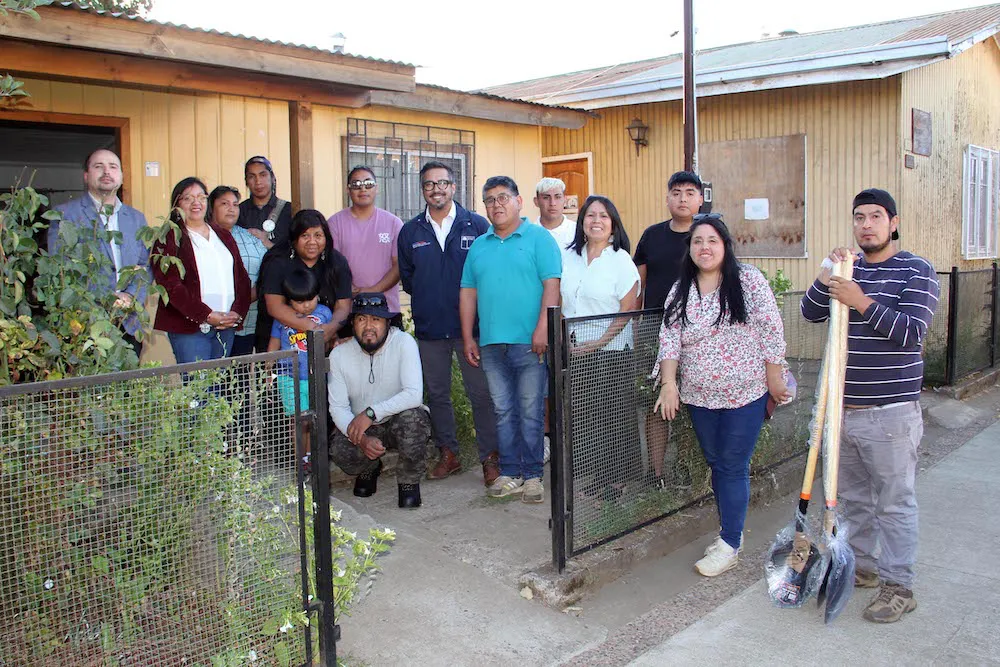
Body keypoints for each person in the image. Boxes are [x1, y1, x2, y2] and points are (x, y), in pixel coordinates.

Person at [801, 188, 939, 624]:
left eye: (876, 216)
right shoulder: (848, 267)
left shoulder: (917, 271)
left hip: (891, 412)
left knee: (894, 503)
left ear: (893, 223)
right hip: (842, 411)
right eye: (859, 217)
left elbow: (911, 332)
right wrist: (827, 274)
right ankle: (860, 568)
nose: (866, 224)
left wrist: (860, 300)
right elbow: (809, 312)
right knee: (853, 500)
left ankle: (899, 586)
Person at [652, 214, 790, 577]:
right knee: (718, 463)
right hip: (700, 397)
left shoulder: (748, 281)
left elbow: (771, 329)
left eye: (712, 240)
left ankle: (729, 543)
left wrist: (775, 378)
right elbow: (669, 339)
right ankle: (732, 531)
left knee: (731, 465)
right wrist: (669, 383)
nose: (705, 247)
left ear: (725, 245)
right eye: (698, 241)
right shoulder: (682, 289)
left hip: (746, 394)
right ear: (690, 249)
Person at [398, 160, 500, 485]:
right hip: (429, 329)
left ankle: (490, 459)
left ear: (454, 187)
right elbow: (409, 279)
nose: (436, 189)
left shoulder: (477, 225)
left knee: (480, 394)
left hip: (470, 330)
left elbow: (490, 274)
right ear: (423, 190)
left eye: (443, 183)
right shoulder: (410, 231)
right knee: (438, 394)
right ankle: (449, 454)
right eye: (429, 184)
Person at [460, 176, 561, 503]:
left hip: (530, 342)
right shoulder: (479, 245)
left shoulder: (538, 238)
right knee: (503, 410)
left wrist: (543, 329)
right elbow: (468, 293)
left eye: (503, 197)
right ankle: (510, 473)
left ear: (519, 201)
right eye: (489, 200)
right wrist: (468, 337)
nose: (496, 204)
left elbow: (551, 286)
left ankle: (533, 476)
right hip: (491, 343)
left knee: (531, 409)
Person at [560, 195, 641, 499]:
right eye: (590, 215)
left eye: (604, 216)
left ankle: (617, 481)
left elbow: (627, 308)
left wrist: (601, 341)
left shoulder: (620, 260)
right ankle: (598, 476)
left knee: (614, 418)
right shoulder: (569, 258)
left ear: (613, 225)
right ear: (581, 222)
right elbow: (561, 301)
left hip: (612, 350)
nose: (596, 221)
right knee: (587, 417)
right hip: (577, 349)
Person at [634, 170, 705, 487]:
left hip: (698, 329)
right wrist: (634, 326)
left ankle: (687, 466)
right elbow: (639, 283)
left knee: (694, 401)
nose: (683, 198)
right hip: (653, 327)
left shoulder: (707, 236)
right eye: (676, 192)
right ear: (667, 198)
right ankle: (656, 472)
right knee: (654, 401)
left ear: (700, 199)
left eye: (690, 192)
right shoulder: (652, 235)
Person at [328, 292, 430, 509]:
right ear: (353, 324)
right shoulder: (339, 355)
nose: (368, 326)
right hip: (363, 427)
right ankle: (370, 467)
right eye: (361, 319)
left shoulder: (404, 343)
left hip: (396, 421)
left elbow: (414, 394)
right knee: (339, 450)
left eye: (376, 319)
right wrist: (362, 439)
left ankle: (408, 480)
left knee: (416, 419)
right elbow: (337, 407)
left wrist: (371, 413)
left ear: (387, 323)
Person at [49, 148, 150, 358]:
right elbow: (59, 268)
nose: (106, 171)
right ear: (86, 176)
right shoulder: (66, 215)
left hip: (128, 323)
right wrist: (107, 299)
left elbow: (145, 266)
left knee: (128, 389)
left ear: (121, 177)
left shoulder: (136, 218)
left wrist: (130, 296)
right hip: (86, 323)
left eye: (113, 167)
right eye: (98, 166)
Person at [151, 177, 251, 363]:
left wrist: (237, 313)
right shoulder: (169, 237)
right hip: (190, 329)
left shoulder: (222, 234)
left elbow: (242, 279)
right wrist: (206, 315)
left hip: (225, 327)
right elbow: (170, 285)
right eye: (188, 198)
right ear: (176, 204)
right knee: (197, 388)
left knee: (219, 388)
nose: (196, 203)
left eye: (201, 197)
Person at [256, 210, 353, 354]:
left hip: (325, 343)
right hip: (278, 345)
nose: (312, 242)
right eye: (305, 236)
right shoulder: (276, 261)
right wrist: (315, 329)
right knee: (282, 376)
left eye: (318, 235)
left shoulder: (337, 262)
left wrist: (330, 328)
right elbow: (274, 306)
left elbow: (343, 306)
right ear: (294, 239)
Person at [268, 268, 333, 468]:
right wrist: (269, 371)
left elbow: (330, 340)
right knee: (298, 420)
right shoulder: (282, 317)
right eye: (299, 301)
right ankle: (301, 459)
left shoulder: (324, 313)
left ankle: (314, 456)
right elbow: (274, 344)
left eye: (310, 299)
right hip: (289, 376)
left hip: (315, 376)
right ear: (289, 301)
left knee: (314, 418)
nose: (305, 306)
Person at [327, 166, 404, 315]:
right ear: (348, 190)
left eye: (368, 184)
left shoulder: (394, 223)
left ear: (377, 188)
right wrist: (347, 288)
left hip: (386, 309)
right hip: (346, 309)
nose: (363, 189)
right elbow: (331, 263)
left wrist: (371, 291)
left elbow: (399, 266)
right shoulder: (334, 223)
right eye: (356, 185)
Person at [208, 185, 267, 356]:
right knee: (215, 376)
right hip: (212, 321)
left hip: (247, 321)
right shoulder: (203, 237)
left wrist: (253, 294)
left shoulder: (250, 238)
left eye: (235, 204)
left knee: (239, 378)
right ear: (211, 208)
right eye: (224, 204)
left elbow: (268, 271)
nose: (231, 209)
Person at [239, 156, 292, 247]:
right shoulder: (239, 211)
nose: (258, 181)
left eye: (263, 175)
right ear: (246, 182)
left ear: (272, 178)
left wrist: (268, 244)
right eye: (252, 176)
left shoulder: (289, 210)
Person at [533, 177, 576, 250]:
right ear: (536, 201)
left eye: (558, 197)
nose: (552, 203)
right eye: (546, 198)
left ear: (565, 200)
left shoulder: (577, 232)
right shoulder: (528, 234)